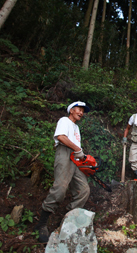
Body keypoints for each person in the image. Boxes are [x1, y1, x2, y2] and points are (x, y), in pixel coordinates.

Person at [34, 101, 91, 243]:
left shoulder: (76, 128)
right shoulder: (64, 120)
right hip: (64, 154)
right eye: (79, 109)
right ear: (71, 110)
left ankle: (66, 219)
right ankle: (41, 224)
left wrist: (83, 157)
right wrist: (77, 150)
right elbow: (61, 137)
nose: (81, 113)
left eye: (83, 111)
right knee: (60, 188)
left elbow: (76, 146)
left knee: (84, 190)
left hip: (75, 158)